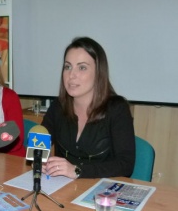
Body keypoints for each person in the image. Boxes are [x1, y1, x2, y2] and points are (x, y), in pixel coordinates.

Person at [42, 37, 135, 179]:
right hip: (63, 190)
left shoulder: (117, 109)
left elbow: (125, 165)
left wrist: (77, 170)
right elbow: (40, 145)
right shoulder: (58, 107)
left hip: (102, 192)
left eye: (82, 67)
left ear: (98, 73)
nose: (71, 75)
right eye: (68, 67)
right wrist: (39, 161)